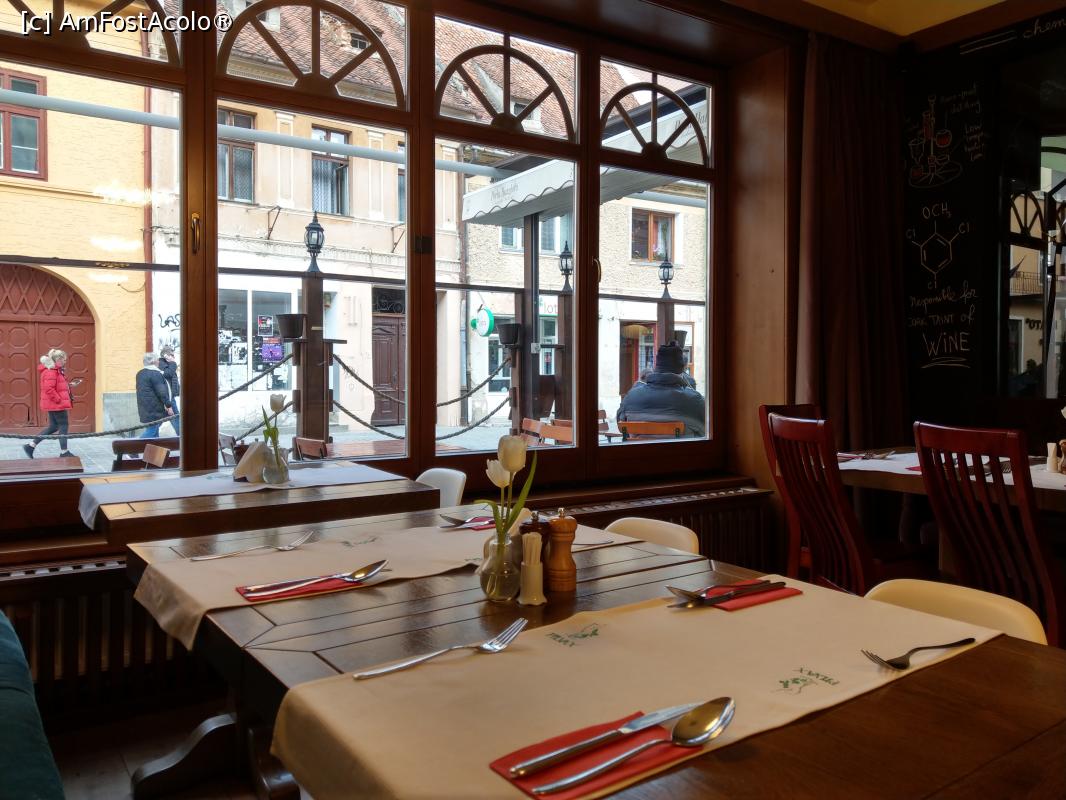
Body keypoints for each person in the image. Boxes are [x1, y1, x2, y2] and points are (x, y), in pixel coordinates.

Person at [617, 341, 705, 437]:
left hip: (640, 447)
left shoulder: (631, 397)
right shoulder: (694, 400)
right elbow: (706, 430)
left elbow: (620, 423)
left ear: (656, 369)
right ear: (682, 371)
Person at [23, 349, 76, 459]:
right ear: (58, 359)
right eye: (64, 359)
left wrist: (68, 385)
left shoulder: (55, 370)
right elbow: (49, 389)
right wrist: (59, 400)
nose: (65, 361)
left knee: (53, 426)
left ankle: (31, 446)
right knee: (63, 426)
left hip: (54, 404)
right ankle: (64, 452)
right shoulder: (51, 371)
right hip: (57, 404)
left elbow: (57, 385)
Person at [136, 352, 175, 439]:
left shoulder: (140, 373)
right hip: (154, 408)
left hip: (144, 406)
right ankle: (133, 446)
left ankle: (153, 447)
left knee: (154, 431)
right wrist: (169, 406)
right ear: (153, 361)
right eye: (157, 360)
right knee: (152, 430)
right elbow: (162, 392)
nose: (158, 361)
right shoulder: (155, 374)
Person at [158, 345, 180, 436]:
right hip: (167, 397)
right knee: (176, 418)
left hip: (169, 397)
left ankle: (148, 436)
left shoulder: (167, 364)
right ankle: (182, 438)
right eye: (171, 354)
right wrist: (173, 363)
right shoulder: (162, 363)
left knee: (158, 422)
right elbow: (169, 374)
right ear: (165, 355)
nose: (173, 356)